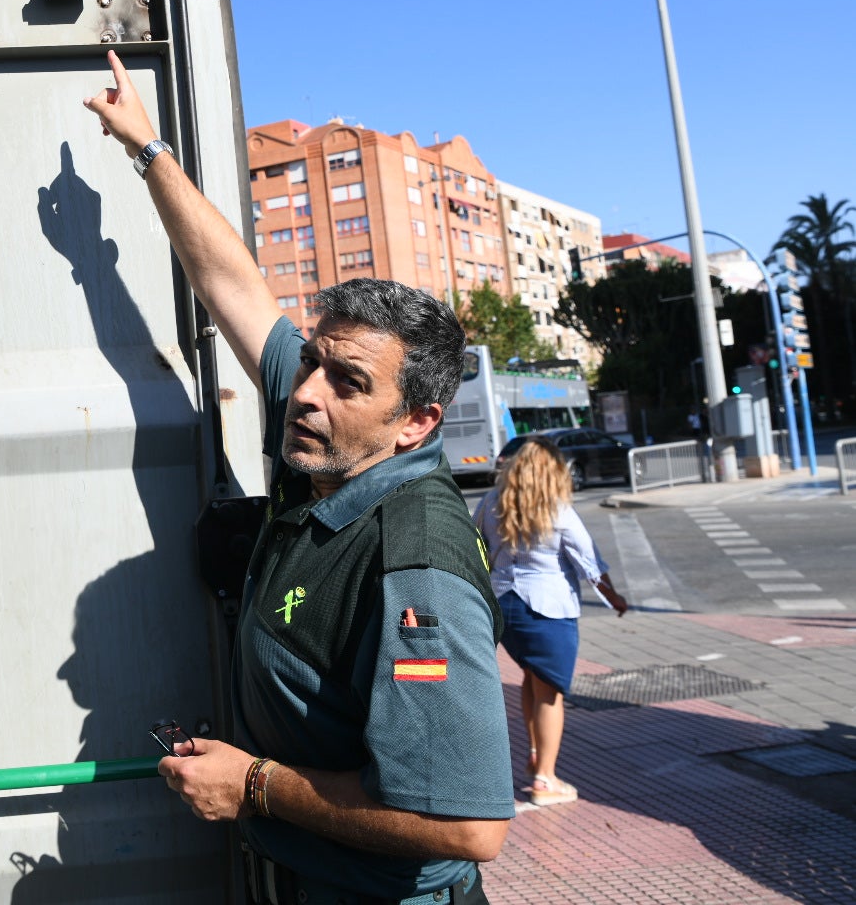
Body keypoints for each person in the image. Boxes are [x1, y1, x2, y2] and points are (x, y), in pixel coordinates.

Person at [83, 51, 512, 905]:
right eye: (311, 363)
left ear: (416, 423)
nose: (304, 394)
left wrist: (254, 786)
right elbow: (232, 284)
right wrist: (145, 149)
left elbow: (468, 828)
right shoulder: (332, 438)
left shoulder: (413, 564)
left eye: (344, 381)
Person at [473, 436, 628, 806]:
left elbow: (473, 545)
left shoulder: (493, 502)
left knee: (532, 678)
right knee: (550, 694)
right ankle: (546, 778)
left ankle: (535, 752)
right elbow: (590, 562)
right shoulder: (557, 510)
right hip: (548, 611)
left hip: (505, 607)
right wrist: (614, 598)